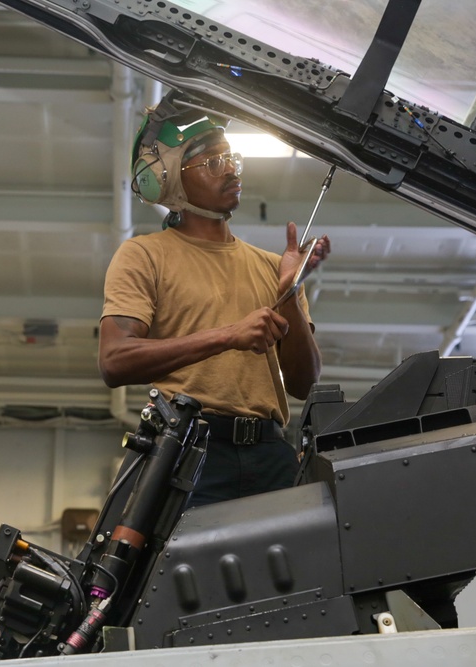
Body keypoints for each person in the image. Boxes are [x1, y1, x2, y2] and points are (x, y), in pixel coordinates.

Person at [99, 93, 331, 508]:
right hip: (189, 454)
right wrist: (228, 336)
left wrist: (288, 294)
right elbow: (114, 360)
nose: (230, 170)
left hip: (271, 454)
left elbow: (303, 383)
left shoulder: (274, 266)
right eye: (211, 162)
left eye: (232, 159)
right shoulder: (144, 255)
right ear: (168, 178)